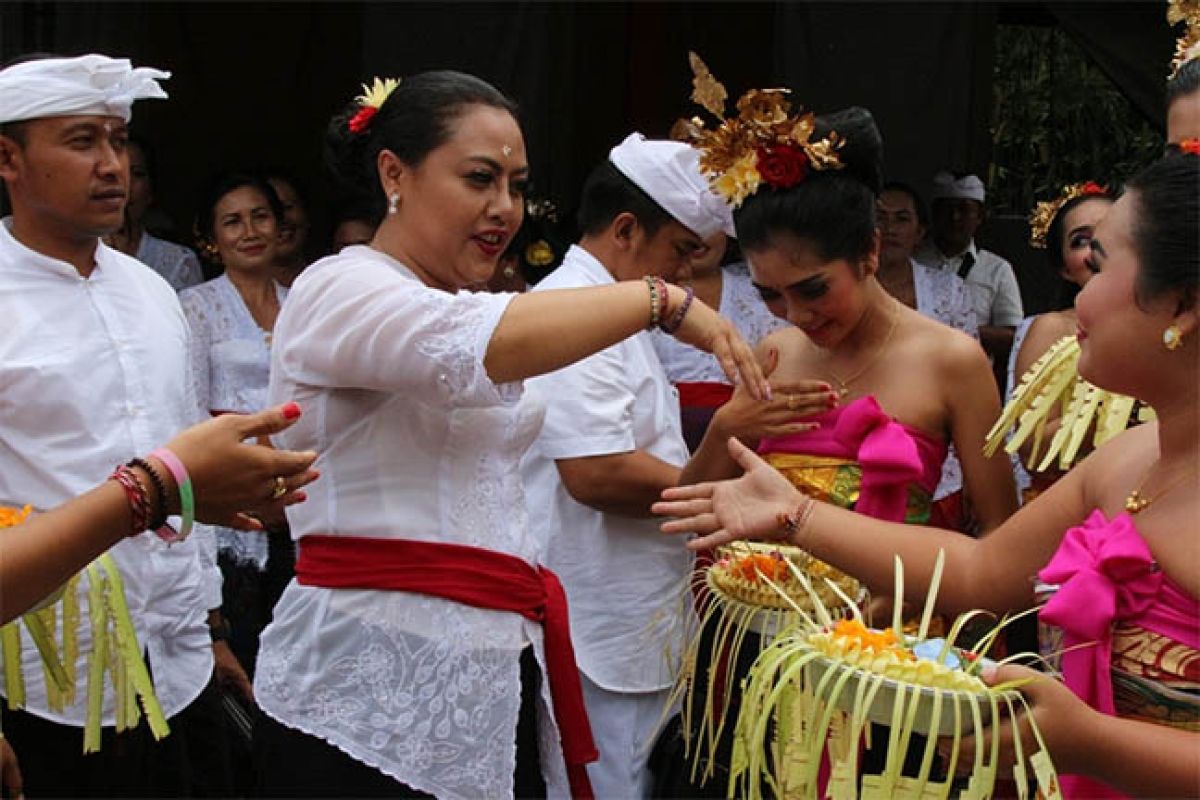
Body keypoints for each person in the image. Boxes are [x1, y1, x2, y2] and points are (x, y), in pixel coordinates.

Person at [251, 70, 767, 799]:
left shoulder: (469, 300)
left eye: (517, 186)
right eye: (479, 179)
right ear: (394, 173)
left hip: (489, 682)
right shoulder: (341, 287)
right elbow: (472, 344)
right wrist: (663, 300)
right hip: (361, 690)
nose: (504, 209)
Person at [657, 149, 1200, 800]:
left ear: (1184, 304)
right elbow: (979, 571)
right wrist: (797, 516)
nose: (1078, 289)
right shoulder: (1128, 459)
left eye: (1102, 265)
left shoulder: (956, 363)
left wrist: (1090, 741)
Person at [671, 95, 1016, 793]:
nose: (796, 316)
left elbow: (1001, 530)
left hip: (892, 645)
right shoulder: (775, 351)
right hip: (767, 633)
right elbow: (696, 502)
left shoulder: (950, 358)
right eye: (770, 295)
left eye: (812, 289)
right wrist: (733, 427)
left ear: (870, 251)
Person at [0, 53, 233, 797]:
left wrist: (211, 625)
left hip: (177, 666)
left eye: (118, 140)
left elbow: (183, 454)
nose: (112, 166)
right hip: (42, 686)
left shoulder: (152, 291)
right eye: (81, 141)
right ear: (8, 158)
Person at [518, 133, 741, 798]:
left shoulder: (612, 316)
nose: (684, 279)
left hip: (636, 608)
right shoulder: (571, 312)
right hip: (600, 619)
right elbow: (596, 473)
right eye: (680, 253)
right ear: (625, 230)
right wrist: (722, 467)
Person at [182, 172, 292, 688]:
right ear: (211, 237)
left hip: (302, 494)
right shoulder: (194, 307)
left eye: (260, 216)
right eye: (232, 221)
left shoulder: (305, 301)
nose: (249, 230)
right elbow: (188, 408)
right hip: (231, 501)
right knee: (246, 648)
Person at [876, 180, 978, 530]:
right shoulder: (841, 291)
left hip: (939, 460)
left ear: (919, 232)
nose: (888, 228)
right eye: (879, 217)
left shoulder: (950, 290)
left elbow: (970, 390)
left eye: (901, 219)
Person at [1007, 182, 1115, 501]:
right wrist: (1118, 411)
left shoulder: (1167, 325)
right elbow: (1032, 450)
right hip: (1068, 514)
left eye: (1113, 234)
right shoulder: (1053, 329)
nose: (1099, 248)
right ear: (1064, 268)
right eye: (1081, 240)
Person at [652, 231, 788, 452]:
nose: (700, 235)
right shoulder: (636, 297)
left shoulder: (766, 289)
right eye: (688, 224)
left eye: (710, 223)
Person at [915, 171, 1024, 374]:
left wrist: (959, 330)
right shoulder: (913, 261)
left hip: (970, 378)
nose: (955, 217)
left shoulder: (997, 269)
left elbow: (1013, 336)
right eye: (946, 209)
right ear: (934, 214)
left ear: (980, 216)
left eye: (964, 210)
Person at [104, 137, 204, 291]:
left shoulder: (179, 262)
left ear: (151, 190)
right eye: (114, 173)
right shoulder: (70, 257)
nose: (125, 185)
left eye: (137, 174)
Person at [263, 170, 311, 286]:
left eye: (287, 207)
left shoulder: (329, 283)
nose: (281, 218)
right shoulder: (220, 298)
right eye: (264, 213)